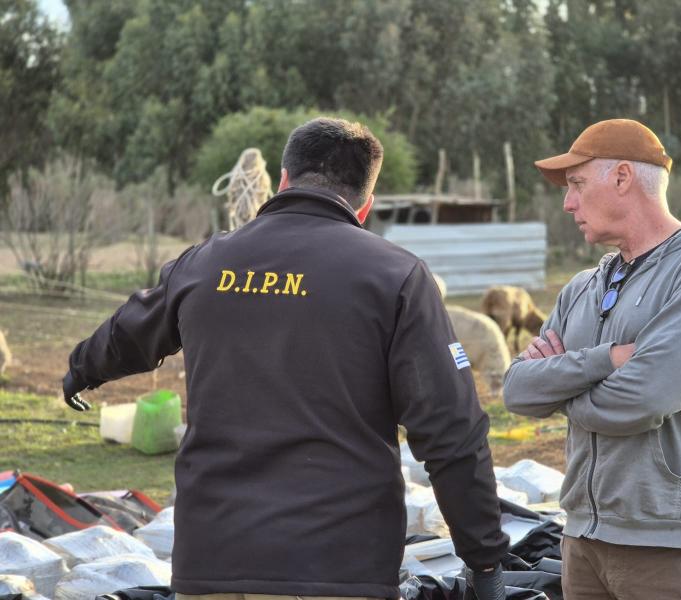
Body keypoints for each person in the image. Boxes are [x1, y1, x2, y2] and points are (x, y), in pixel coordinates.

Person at [63, 118, 509, 600]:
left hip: (211, 564)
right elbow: (450, 430)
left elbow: (130, 330)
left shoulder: (205, 262)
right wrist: (484, 559)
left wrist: (82, 369)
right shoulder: (396, 276)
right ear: (366, 204)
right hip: (336, 569)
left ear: (281, 180)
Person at [504, 119, 681, 599]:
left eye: (576, 184)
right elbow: (517, 390)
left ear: (621, 178)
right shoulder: (581, 288)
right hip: (583, 542)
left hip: (676, 551)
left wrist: (563, 391)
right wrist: (607, 360)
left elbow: (644, 398)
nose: (567, 202)